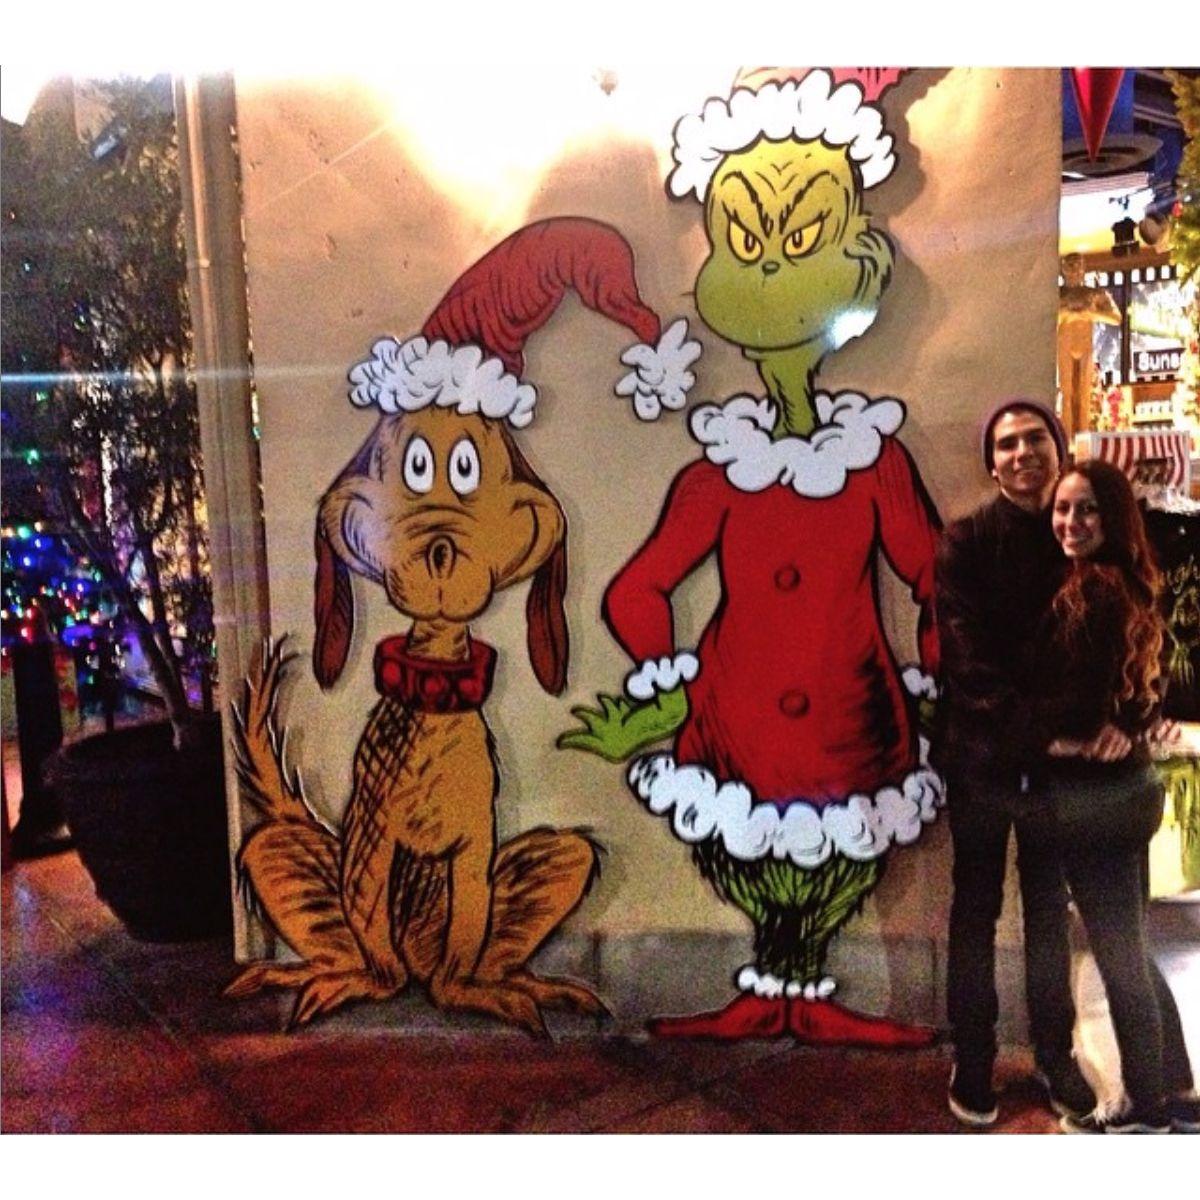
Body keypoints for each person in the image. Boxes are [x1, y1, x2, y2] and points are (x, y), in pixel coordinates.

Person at [935, 399, 1099, 1127]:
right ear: (992, 464)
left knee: (1048, 913)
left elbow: (1096, 649)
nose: (1023, 452)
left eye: (1036, 438)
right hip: (981, 758)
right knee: (975, 911)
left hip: (1058, 764)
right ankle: (972, 1058)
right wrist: (1041, 735)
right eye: (1007, 444)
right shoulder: (965, 541)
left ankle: (1054, 1056)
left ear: (1058, 449)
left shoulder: (1080, 537)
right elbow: (967, 660)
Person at [1033, 460, 1198, 1134]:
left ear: (1114, 517)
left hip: (1093, 797)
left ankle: (1144, 1108)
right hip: (1131, 789)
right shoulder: (1131, 583)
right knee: (1130, 944)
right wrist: (1130, 723)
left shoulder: (1089, 593)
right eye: (1062, 509)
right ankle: (1177, 1087)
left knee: (1117, 954)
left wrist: (1038, 731)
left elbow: (1076, 703)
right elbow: (1141, 691)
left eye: (1087, 510)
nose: (1071, 522)